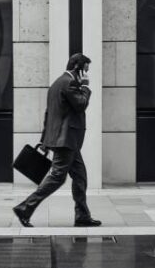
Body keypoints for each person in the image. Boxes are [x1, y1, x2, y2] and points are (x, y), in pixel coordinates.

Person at [13, 53, 102, 227]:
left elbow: (50, 114)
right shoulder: (69, 84)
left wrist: (45, 140)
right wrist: (85, 87)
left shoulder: (56, 83)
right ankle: (25, 208)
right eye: (86, 71)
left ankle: (82, 216)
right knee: (57, 177)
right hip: (66, 140)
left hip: (67, 141)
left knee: (80, 177)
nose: (87, 75)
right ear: (77, 68)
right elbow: (81, 105)